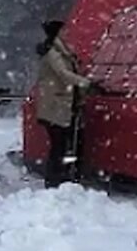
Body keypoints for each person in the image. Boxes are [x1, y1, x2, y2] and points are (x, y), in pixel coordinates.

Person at [34, 20, 95, 188]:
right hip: (57, 106)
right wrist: (86, 83)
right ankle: (55, 180)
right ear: (57, 32)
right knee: (59, 145)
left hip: (65, 105)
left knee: (67, 143)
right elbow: (63, 73)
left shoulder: (62, 49)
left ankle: (64, 177)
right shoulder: (53, 52)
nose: (67, 32)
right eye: (63, 30)